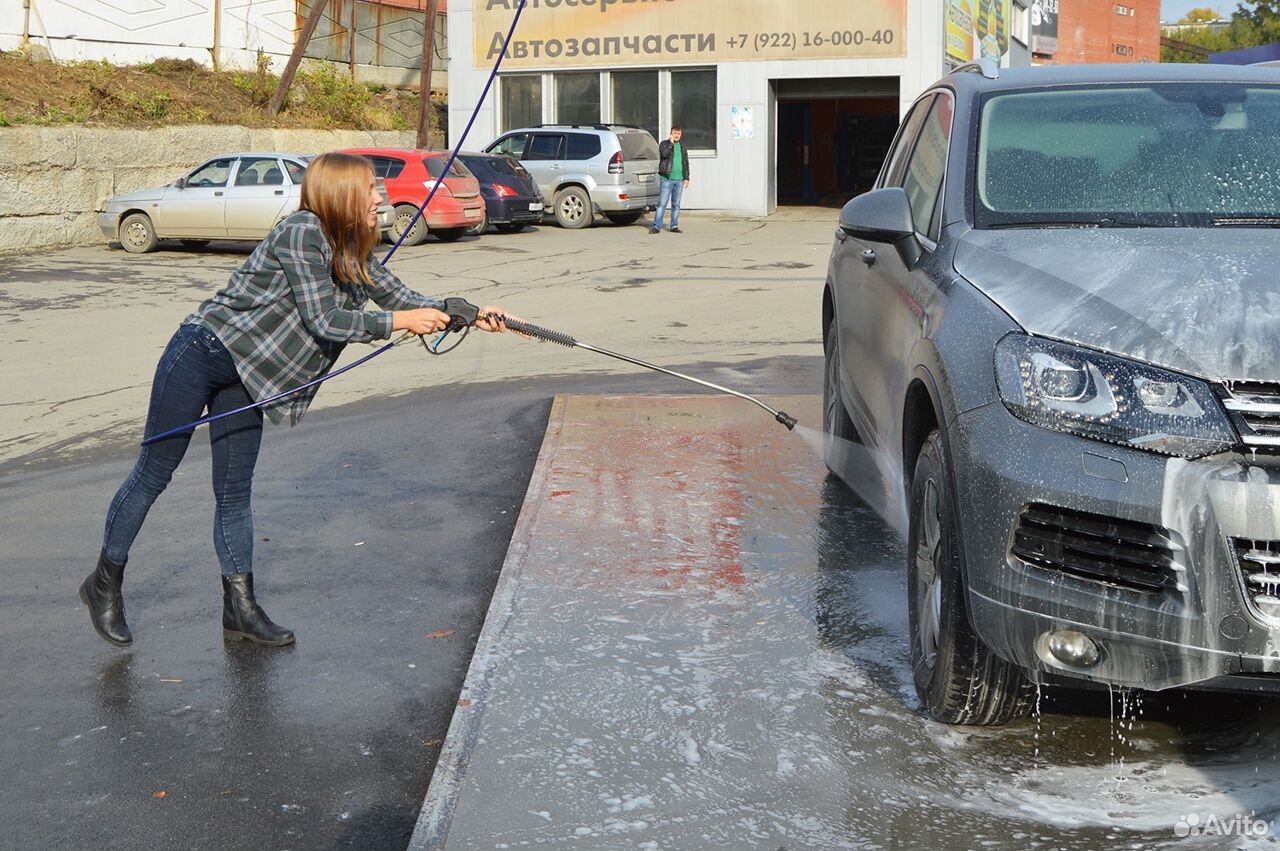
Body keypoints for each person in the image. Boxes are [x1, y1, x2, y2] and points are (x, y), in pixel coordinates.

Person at [80, 151, 511, 648]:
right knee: (155, 473)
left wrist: (467, 313)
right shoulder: (303, 232)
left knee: (234, 491)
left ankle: (239, 609)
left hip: (250, 374)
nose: (380, 197)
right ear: (342, 197)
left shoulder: (353, 246)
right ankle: (103, 585)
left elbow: (399, 297)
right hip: (202, 353)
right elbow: (325, 319)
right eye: (371, 189)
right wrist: (400, 324)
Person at [651, 125, 690, 234]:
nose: (676, 135)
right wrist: (671, 144)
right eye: (674, 133)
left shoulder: (682, 146)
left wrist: (686, 178)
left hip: (679, 180)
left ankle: (674, 226)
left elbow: (685, 162)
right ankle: (657, 226)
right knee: (662, 203)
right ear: (671, 134)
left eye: (678, 134)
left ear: (681, 134)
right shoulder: (664, 144)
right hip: (667, 179)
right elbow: (664, 155)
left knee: (676, 204)